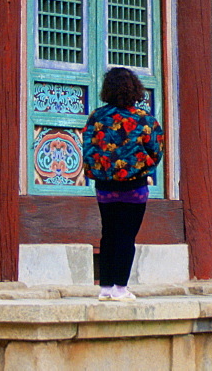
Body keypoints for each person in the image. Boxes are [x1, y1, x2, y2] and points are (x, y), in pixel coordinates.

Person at [81, 67, 164, 301]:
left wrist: (98, 172)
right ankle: (120, 288)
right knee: (127, 236)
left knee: (108, 234)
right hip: (134, 187)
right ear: (135, 89)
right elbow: (156, 150)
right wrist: (142, 168)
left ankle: (105, 288)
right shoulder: (144, 119)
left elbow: (88, 148)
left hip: (105, 186)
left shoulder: (97, 117)